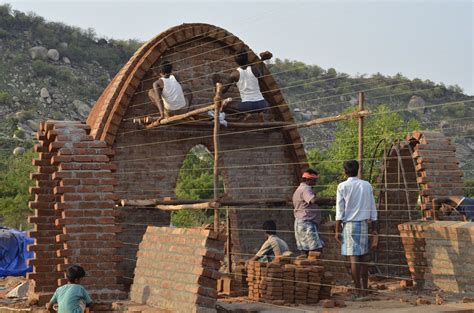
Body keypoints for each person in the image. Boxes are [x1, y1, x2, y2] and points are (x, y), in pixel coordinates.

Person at [335, 160, 377, 298]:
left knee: (353, 258)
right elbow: (372, 207)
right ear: (358, 170)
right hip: (364, 223)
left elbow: (340, 210)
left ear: (345, 171)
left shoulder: (342, 186)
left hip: (349, 225)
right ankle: (365, 288)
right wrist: (374, 228)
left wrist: (337, 229)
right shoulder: (366, 185)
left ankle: (358, 290)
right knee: (363, 256)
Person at [217, 49, 272, 120]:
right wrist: (262, 59)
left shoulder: (234, 74)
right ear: (247, 58)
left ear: (236, 61)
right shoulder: (255, 69)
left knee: (224, 106)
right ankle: (260, 113)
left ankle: (245, 114)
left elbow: (223, 91)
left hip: (247, 106)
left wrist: (218, 83)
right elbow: (261, 77)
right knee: (253, 102)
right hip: (262, 104)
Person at [292, 169, 325, 257]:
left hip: (300, 223)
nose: (315, 183)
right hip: (307, 224)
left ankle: (305, 270)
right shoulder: (306, 189)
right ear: (308, 180)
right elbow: (313, 200)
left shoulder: (299, 189)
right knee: (316, 250)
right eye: (314, 181)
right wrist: (331, 200)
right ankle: (315, 269)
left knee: (305, 251)